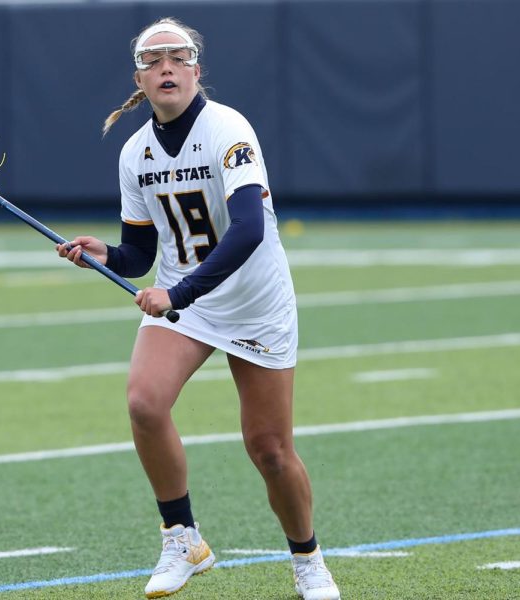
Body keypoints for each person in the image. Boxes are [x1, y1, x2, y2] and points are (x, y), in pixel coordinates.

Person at [57, 17, 340, 600]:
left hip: (254, 301)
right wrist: (101, 252)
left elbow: (248, 231)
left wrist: (177, 294)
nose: (166, 66)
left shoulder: (227, 129)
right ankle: (182, 535)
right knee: (144, 401)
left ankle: (308, 559)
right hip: (188, 302)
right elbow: (138, 252)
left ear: (196, 69)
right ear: (139, 76)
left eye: (178, 56)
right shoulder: (135, 153)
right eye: (153, 59)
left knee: (269, 448)